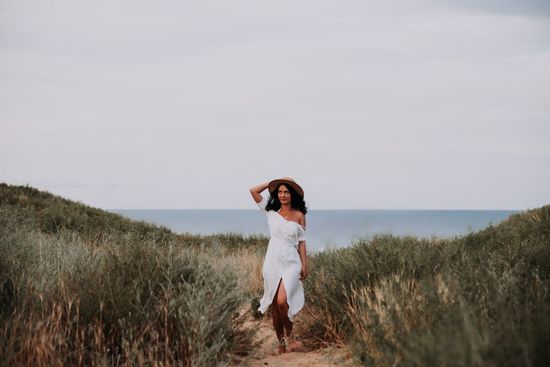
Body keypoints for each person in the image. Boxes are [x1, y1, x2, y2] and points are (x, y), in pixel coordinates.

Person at [249, 177, 308, 354]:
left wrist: (305, 265)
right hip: (272, 262)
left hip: (291, 263)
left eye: (286, 192)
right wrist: (271, 183)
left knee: (283, 301)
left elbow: (302, 243)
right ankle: (281, 343)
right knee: (275, 306)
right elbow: (253, 191)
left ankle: (290, 336)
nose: (282, 195)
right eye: (280, 191)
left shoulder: (299, 215)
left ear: (293, 195)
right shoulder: (270, 210)